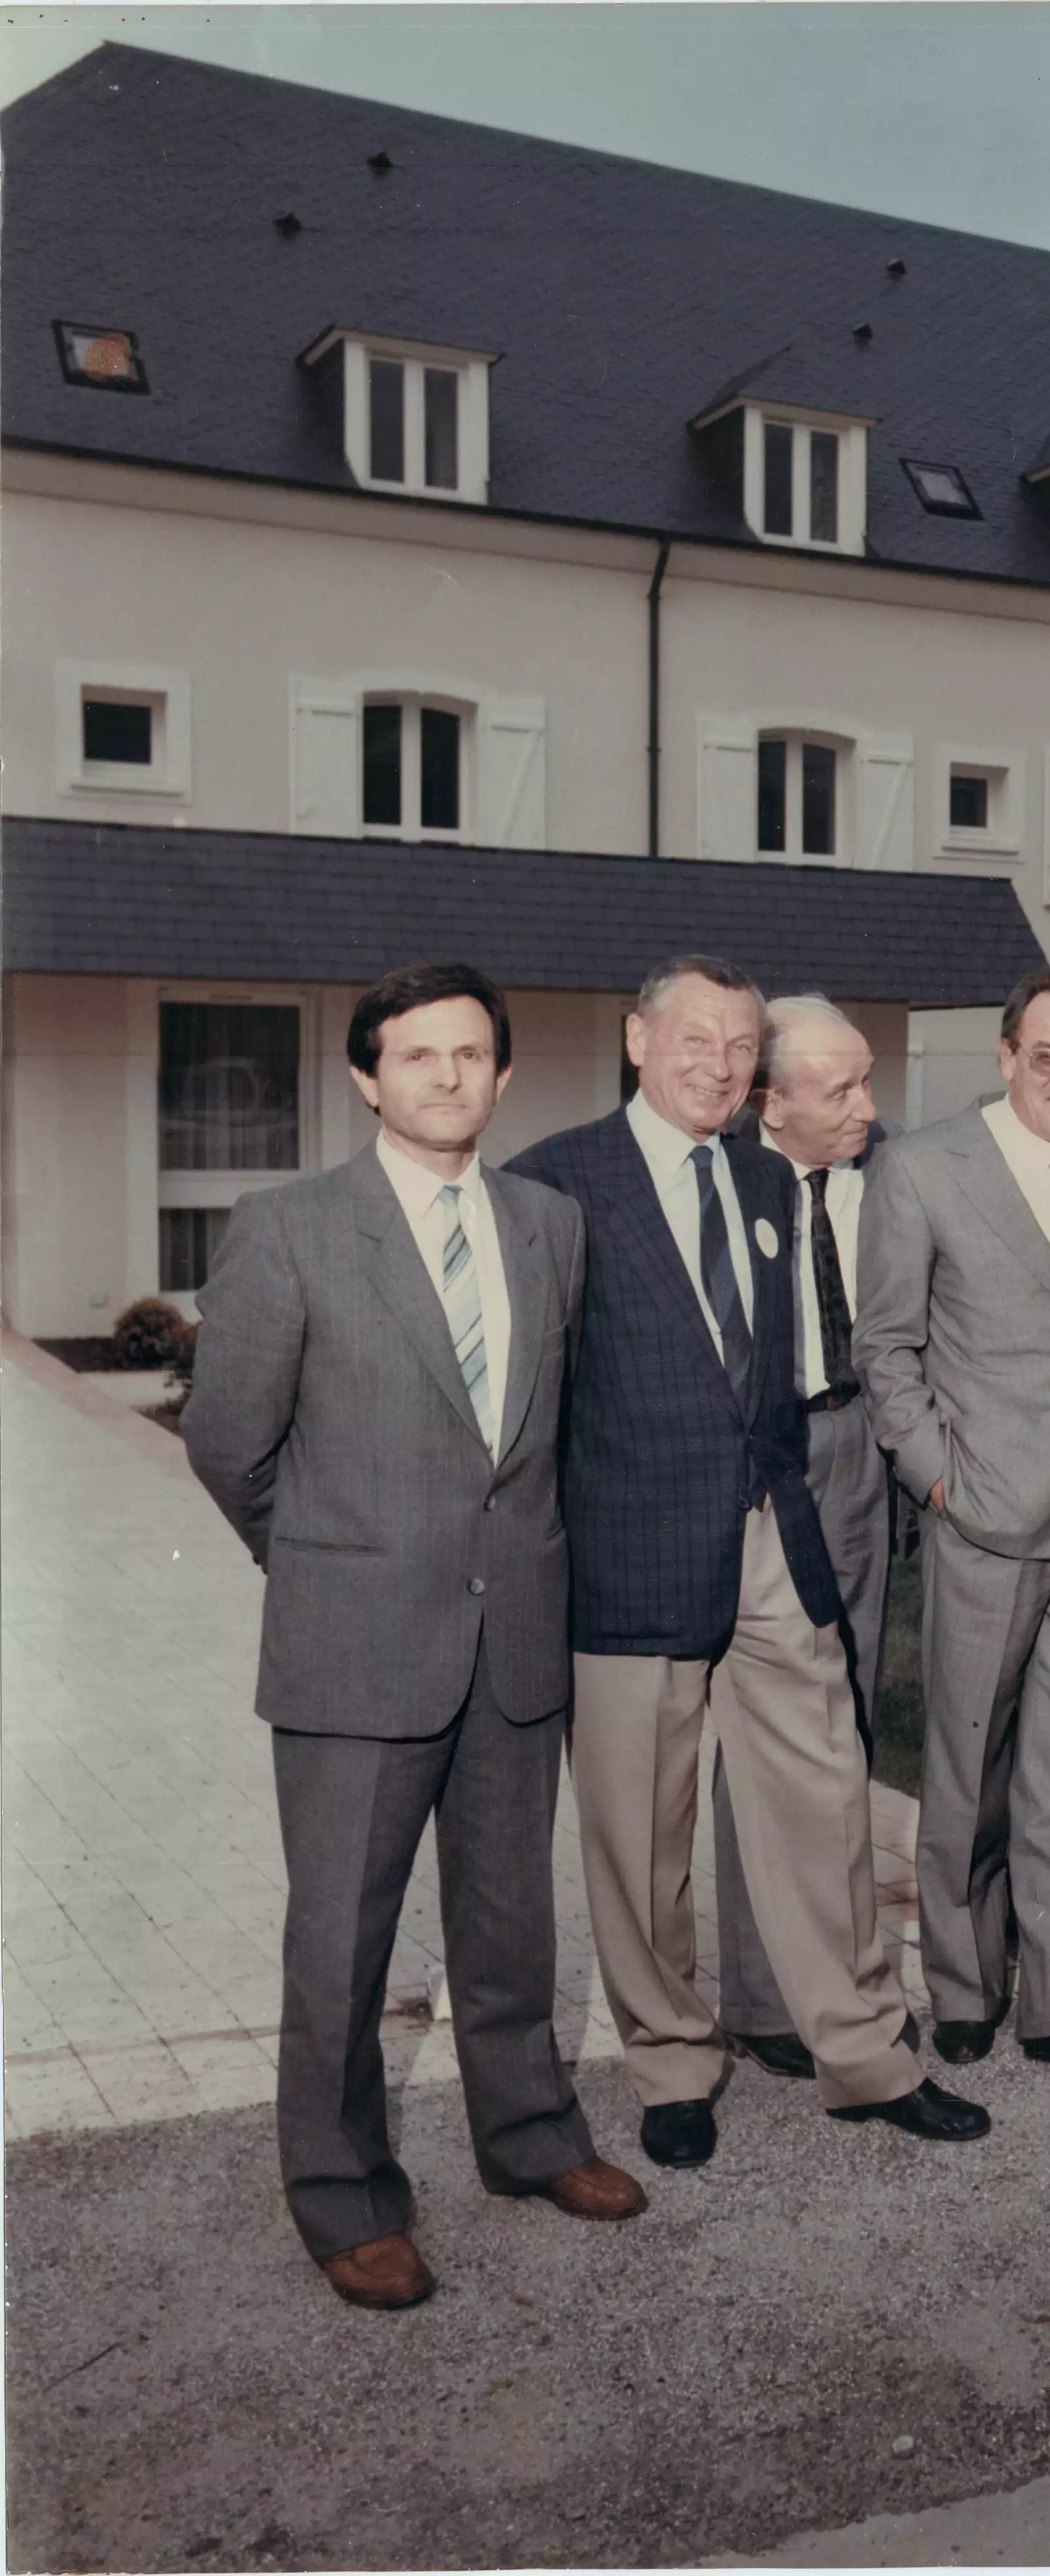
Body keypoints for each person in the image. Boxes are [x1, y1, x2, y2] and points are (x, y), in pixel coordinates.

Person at [184, 962, 643, 2310]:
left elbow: (542, 1435)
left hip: (515, 1637)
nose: (447, 1075)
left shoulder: (550, 1225)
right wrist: (327, 1560)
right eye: (417, 1054)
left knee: (510, 1917)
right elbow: (228, 1442)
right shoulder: (289, 1229)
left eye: (470, 1054)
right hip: (354, 1643)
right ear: (366, 1078)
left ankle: (530, 2133)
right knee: (340, 1937)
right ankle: (343, 2193)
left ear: (504, 1075)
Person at [510, 956, 985, 2165]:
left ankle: (866, 2055)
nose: (718, 1067)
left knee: (826, 1800)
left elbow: (768, 1374)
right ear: (636, 1039)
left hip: (774, 1540)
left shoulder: (768, 1176)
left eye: (737, 1047)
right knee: (642, 1839)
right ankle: (673, 2064)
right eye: (695, 1040)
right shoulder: (556, 1182)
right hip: (631, 1563)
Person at [855, 964, 1050, 2091]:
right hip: (986, 1507)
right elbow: (886, 1347)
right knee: (968, 1765)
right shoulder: (923, 1168)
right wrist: (938, 1478)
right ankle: (965, 1988)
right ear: (1005, 1054)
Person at [708, 996, 894, 2081]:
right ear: (771, 1103)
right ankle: (759, 1992)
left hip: (861, 1445)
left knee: (847, 1721)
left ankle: (848, 1977)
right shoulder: (725, 1186)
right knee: (765, 1731)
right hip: (764, 1464)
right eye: (843, 1089)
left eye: (868, 1080)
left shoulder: (887, 1169)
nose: (868, 1105)